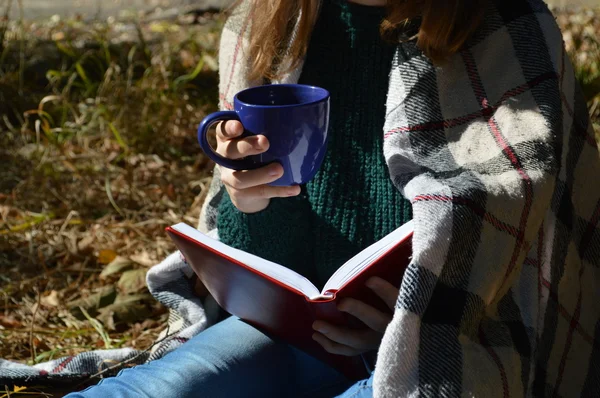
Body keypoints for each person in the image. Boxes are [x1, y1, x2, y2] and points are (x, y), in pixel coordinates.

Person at [67, 0, 600, 396]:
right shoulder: (268, 24)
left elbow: (528, 238)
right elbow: (271, 263)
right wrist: (247, 201)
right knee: (150, 391)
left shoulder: (505, 25)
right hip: (286, 333)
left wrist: (422, 313)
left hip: (449, 343)